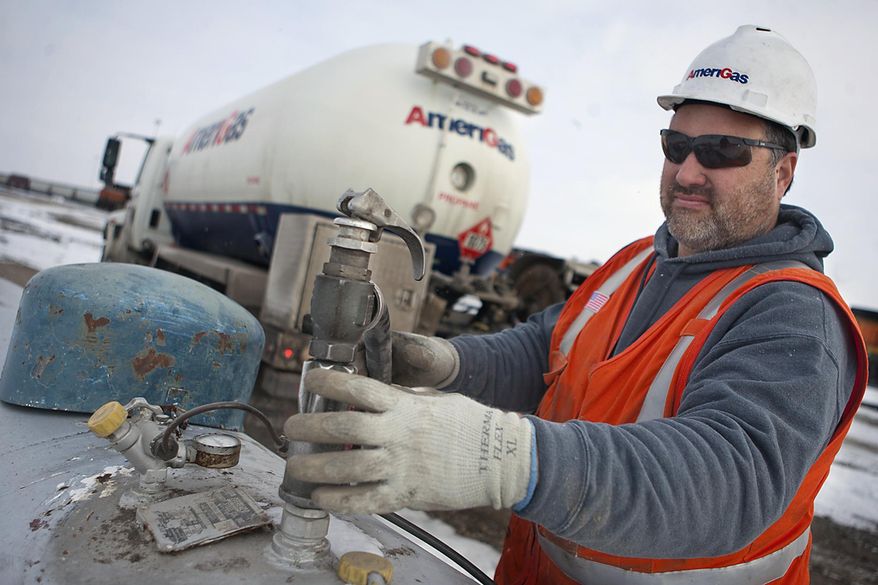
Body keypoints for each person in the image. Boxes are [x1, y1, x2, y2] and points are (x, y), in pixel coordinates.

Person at [284, 25, 868, 584]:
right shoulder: (639, 261)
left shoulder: (793, 313)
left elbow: (731, 477)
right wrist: (444, 362)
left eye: (722, 151)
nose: (688, 171)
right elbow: (547, 347)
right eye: (677, 145)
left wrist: (502, 458)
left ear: (783, 172)